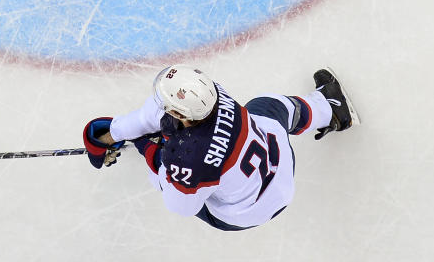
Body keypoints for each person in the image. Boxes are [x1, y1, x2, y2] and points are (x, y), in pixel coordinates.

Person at [81, 64, 359, 230]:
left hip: (245, 212)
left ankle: (164, 157)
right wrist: (119, 132)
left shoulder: (188, 161)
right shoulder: (212, 91)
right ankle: (329, 108)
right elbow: (154, 115)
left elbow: (182, 207)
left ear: (180, 115)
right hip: (279, 165)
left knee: (167, 173)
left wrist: (145, 146)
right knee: (267, 106)